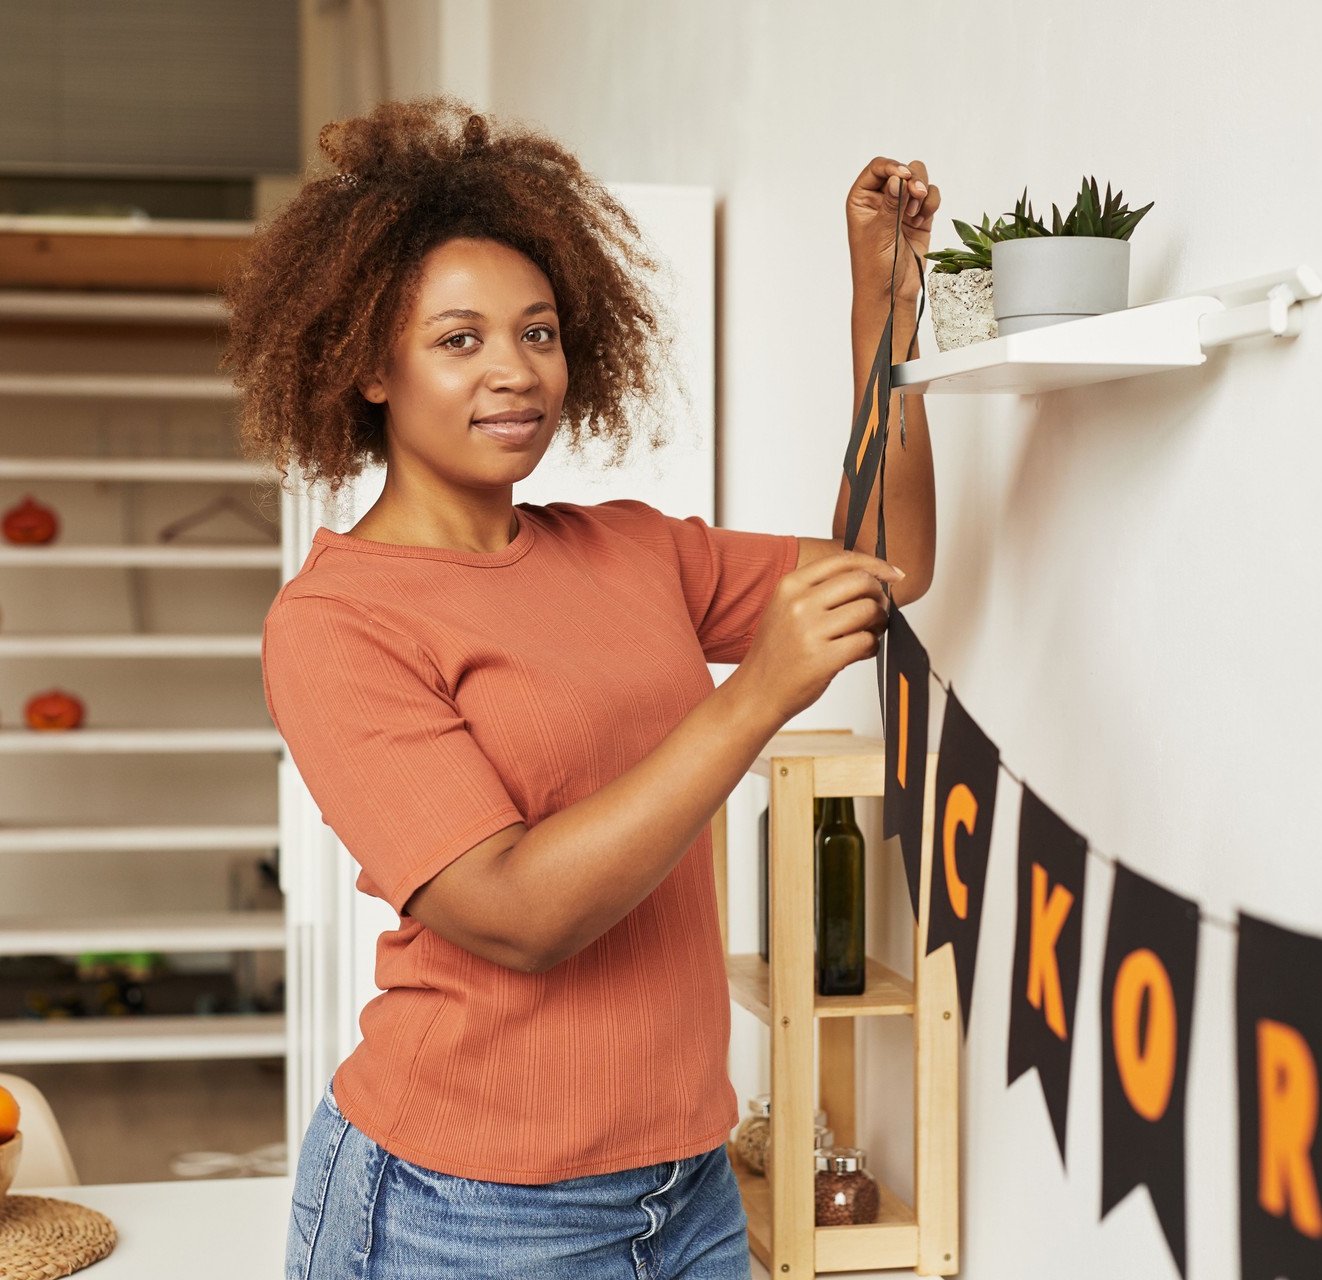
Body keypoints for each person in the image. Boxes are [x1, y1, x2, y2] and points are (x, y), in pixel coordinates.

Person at [225, 96, 940, 1280]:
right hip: (462, 1210)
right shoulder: (336, 622)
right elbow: (515, 912)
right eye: (460, 340)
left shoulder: (632, 547)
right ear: (364, 364)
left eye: (540, 332)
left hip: (690, 1184)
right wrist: (753, 695)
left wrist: (886, 314)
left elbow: (887, 564)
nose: (516, 372)